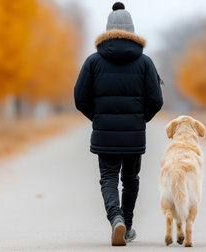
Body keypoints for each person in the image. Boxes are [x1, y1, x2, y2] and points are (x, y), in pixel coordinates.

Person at [74, 2, 163, 246]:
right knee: (131, 178)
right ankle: (129, 224)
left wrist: (99, 118)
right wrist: (138, 119)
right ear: (132, 31)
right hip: (134, 134)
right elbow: (156, 99)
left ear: (108, 30)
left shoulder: (93, 61)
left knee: (109, 177)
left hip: (105, 134)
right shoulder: (145, 63)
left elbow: (79, 97)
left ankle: (116, 219)